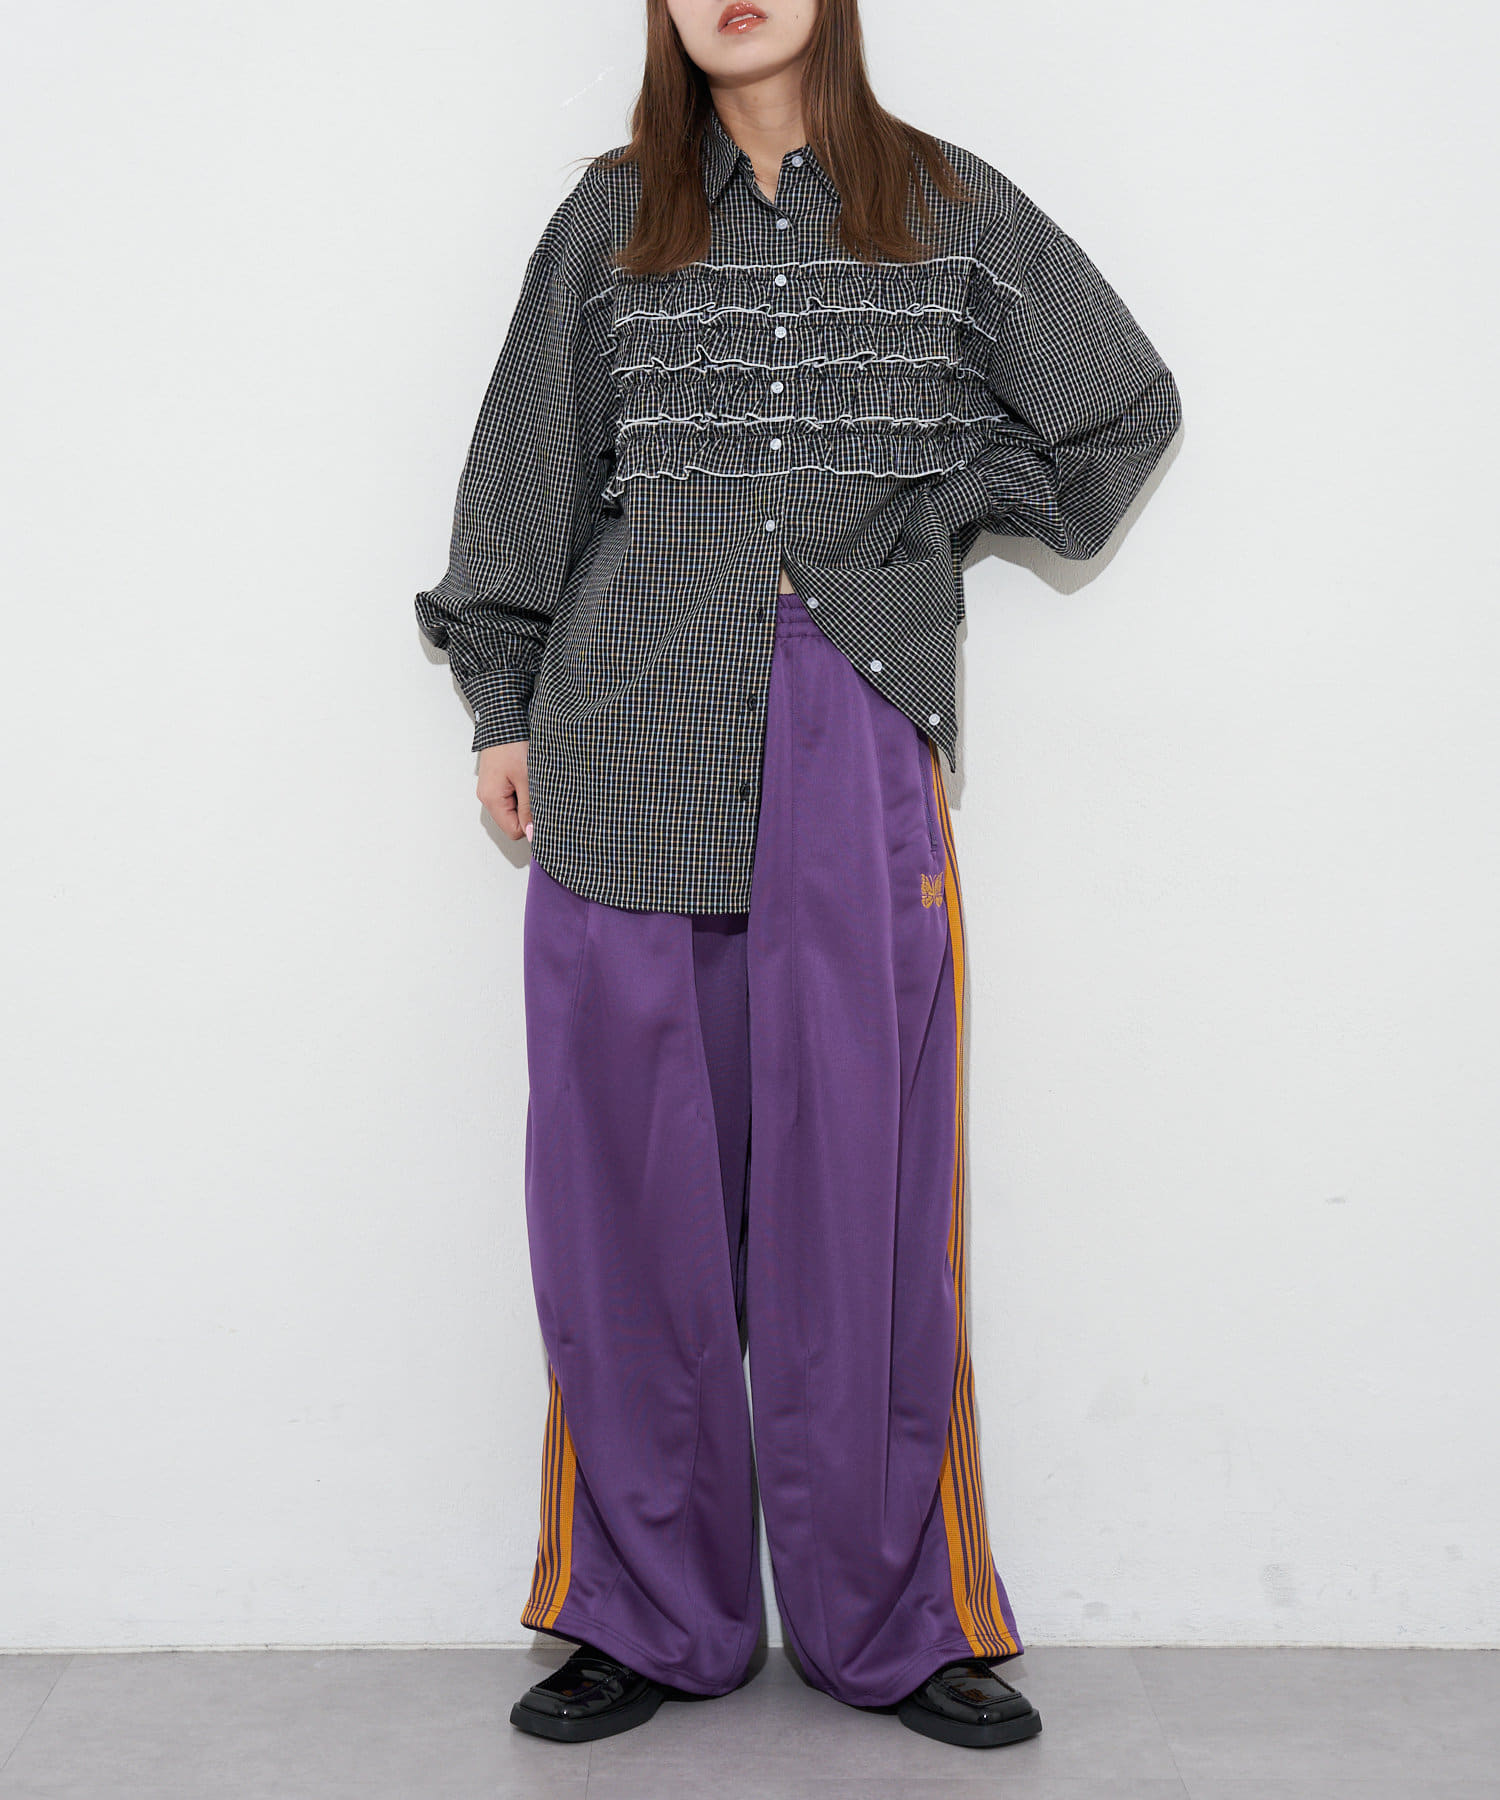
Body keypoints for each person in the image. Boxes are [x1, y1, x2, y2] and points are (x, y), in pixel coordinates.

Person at [414, 0, 1180, 1752]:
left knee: (868, 1192)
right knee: (625, 1198)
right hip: (631, 725)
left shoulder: (951, 207)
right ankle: (644, 1612)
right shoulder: (612, 219)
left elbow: (1120, 408)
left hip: (856, 722)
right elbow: (527, 469)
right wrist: (502, 701)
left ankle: (892, 1617)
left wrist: (943, 502)